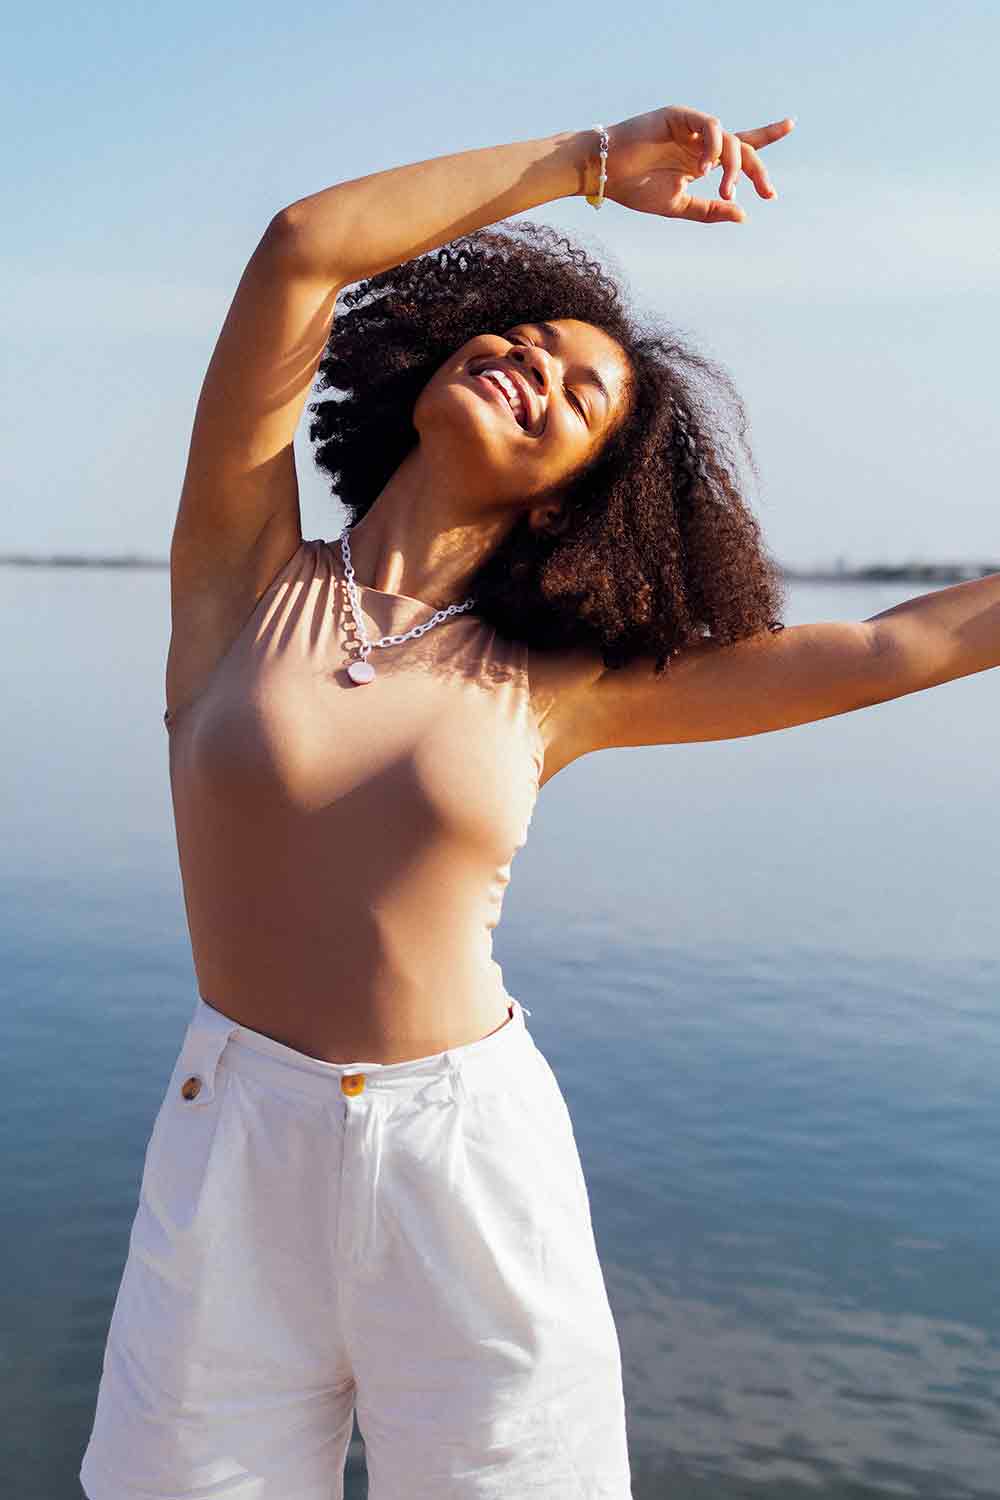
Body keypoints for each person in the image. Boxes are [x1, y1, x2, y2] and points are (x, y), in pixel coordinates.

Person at [80, 104, 1000, 1500]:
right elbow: (298, 255)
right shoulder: (247, 576)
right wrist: (584, 167)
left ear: (573, 503)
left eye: (578, 396)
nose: (531, 365)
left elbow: (896, 645)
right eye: (522, 339)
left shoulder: (563, 682)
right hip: (231, 1149)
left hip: (465, 1160)